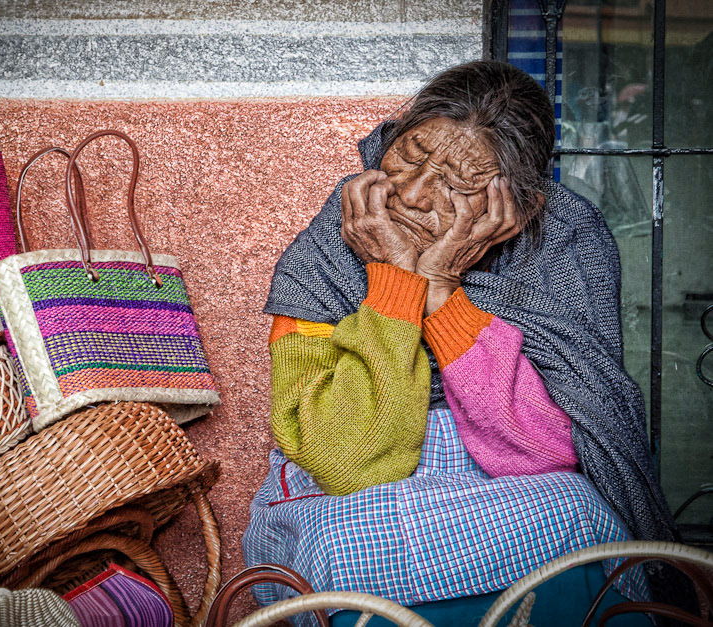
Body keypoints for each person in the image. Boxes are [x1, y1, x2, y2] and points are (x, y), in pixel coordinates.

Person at [243, 61, 689, 624]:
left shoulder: (562, 241)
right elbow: (344, 457)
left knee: (578, 513)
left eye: (456, 183)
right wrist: (395, 280)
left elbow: (551, 450)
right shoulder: (335, 238)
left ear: (517, 208)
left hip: (509, 474)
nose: (412, 193)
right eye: (408, 155)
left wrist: (442, 290)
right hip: (349, 476)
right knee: (338, 543)